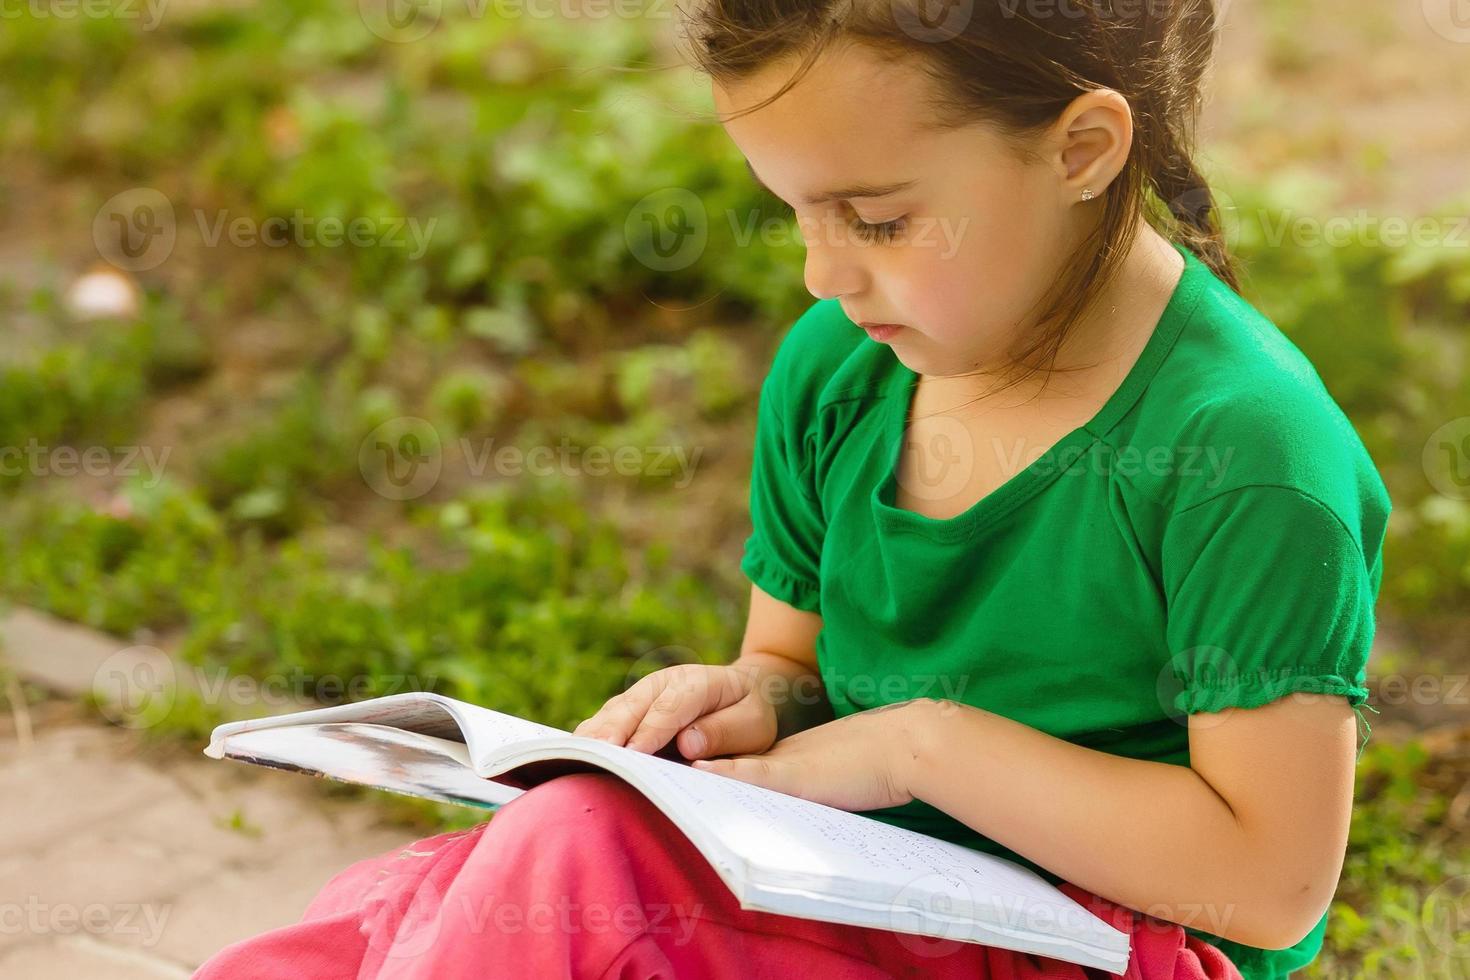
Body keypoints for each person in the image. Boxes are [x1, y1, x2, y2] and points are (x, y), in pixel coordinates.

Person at [193, 2, 1390, 978]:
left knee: (569, 881)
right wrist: (743, 697)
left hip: (1101, 947)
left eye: (877, 217)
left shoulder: (1246, 452)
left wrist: (923, 746)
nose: (824, 273)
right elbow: (795, 673)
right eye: (795, 215)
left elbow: (1269, 884)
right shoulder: (847, 369)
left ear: (1082, 148)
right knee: (425, 914)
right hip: (845, 888)